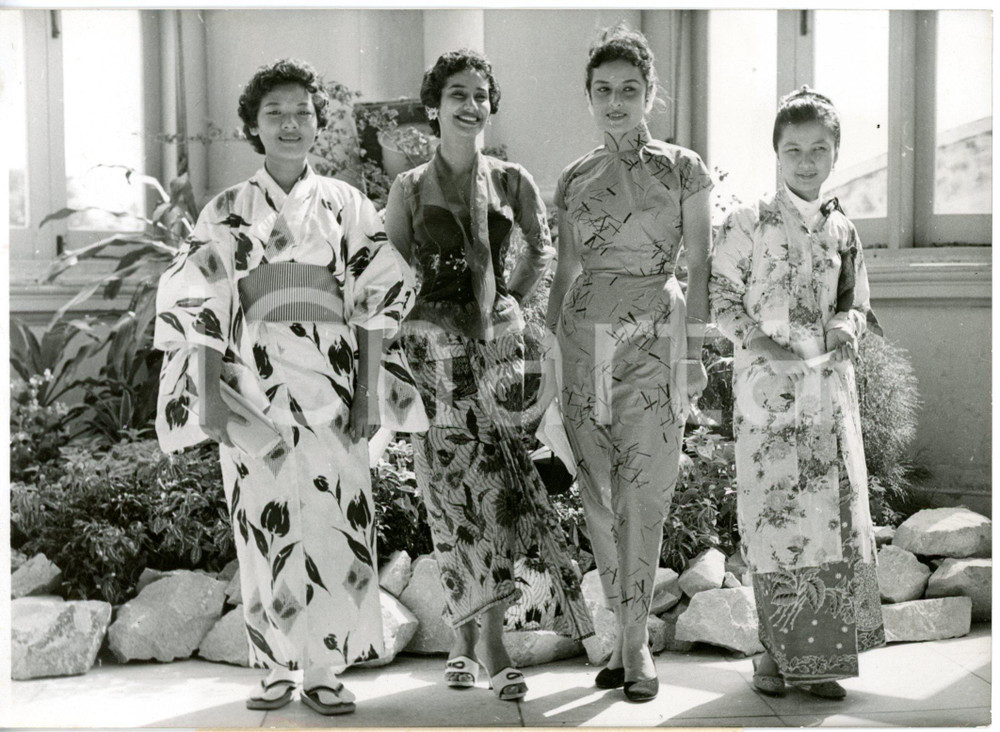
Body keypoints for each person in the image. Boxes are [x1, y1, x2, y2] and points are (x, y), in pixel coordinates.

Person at [154, 58, 425, 716]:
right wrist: (209, 393)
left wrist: (369, 394)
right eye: (275, 112)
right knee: (262, 526)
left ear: (317, 124)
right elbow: (201, 303)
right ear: (254, 124)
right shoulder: (226, 210)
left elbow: (375, 296)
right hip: (253, 385)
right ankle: (274, 666)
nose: (291, 123)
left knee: (338, 525)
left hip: (333, 383)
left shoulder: (344, 205)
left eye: (303, 112)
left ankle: (325, 669)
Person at [384, 48, 593, 702]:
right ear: (433, 106)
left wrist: (511, 306)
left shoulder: (511, 180)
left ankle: (493, 639)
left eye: (480, 94)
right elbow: (391, 271)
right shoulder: (408, 188)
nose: (470, 105)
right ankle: (459, 637)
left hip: (499, 349)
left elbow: (544, 247)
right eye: (457, 94)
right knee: (447, 499)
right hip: (433, 354)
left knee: (498, 496)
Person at [546, 25, 713, 703]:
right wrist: (549, 360)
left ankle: (638, 645)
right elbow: (562, 277)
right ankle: (622, 635)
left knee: (644, 492)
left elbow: (700, 264)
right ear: (588, 97)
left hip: (656, 336)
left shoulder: (683, 169)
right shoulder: (575, 177)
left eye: (630, 90)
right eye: (604, 90)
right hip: (584, 340)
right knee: (598, 495)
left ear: (650, 96)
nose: (616, 102)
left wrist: (695, 352)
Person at [709, 86, 885, 700]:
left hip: (829, 391)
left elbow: (856, 302)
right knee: (774, 519)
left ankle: (819, 663)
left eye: (818, 149)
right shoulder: (747, 221)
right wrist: (764, 343)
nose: (805, 161)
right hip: (767, 393)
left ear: (835, 154)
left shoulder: (843, 228)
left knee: (829, 520)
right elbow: (721, 300)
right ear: (776, 154)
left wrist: (846, 327)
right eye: (793, 150)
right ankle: (769, 655)